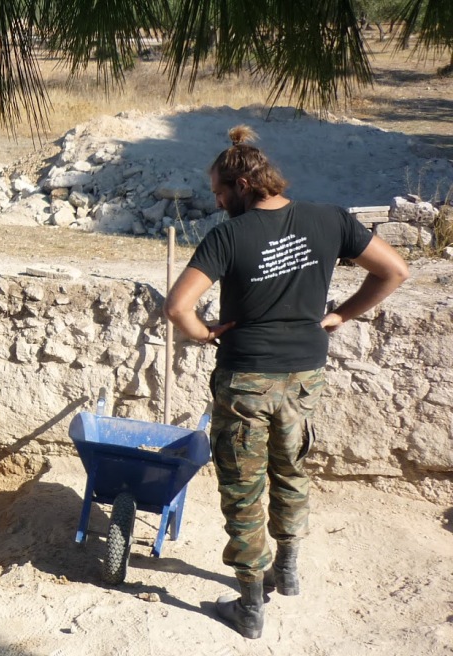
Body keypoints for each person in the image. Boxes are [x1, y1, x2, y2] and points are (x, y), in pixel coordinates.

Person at [164, 125, 409, 639]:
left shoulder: (229, 235)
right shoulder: (330, 219)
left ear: (242, 185)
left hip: (246, 378)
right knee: (291, 468)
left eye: (218, 191)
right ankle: (288, 570)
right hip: (304, 377)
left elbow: (177, 307)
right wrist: (339, 315)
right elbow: (394, 270)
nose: (216, 201)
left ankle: (250, 606)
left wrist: (205, 334)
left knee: (242, 488)